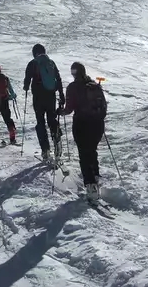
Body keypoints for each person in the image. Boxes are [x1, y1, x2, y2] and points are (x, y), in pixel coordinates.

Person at [59, 62, 107, 201]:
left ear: (73, 73)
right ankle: (96, 176)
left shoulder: (73, 87)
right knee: (92, 150)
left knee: (84, 154)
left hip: (82, 124)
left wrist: (60, 111)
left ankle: (91, 186)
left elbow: (69, 109)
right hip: (98, 124)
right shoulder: (94, 85)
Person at [23, 44, 65, 160]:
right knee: (52, 119)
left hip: (38, 97)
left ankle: (45, 149)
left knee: (40, 122)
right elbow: (58, 79)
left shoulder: (32, 63)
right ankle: (56, 138)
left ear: (34, 53)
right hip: (50, 96)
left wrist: (26, 87)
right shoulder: (51, 62)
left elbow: (27, 80)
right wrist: (61, 95)